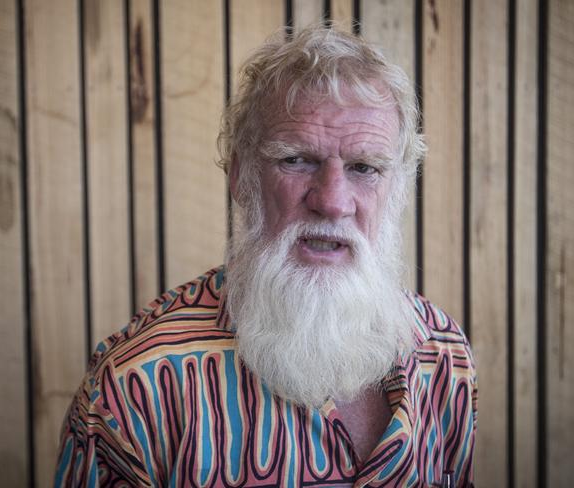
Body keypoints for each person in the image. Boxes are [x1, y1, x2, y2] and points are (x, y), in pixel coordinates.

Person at [54, 26, 477, 487]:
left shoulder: (444, 353)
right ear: (241, 175)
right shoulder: (135, 388)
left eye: (364, 168)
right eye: (296, 160)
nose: (333, 201)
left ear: (397, 187)